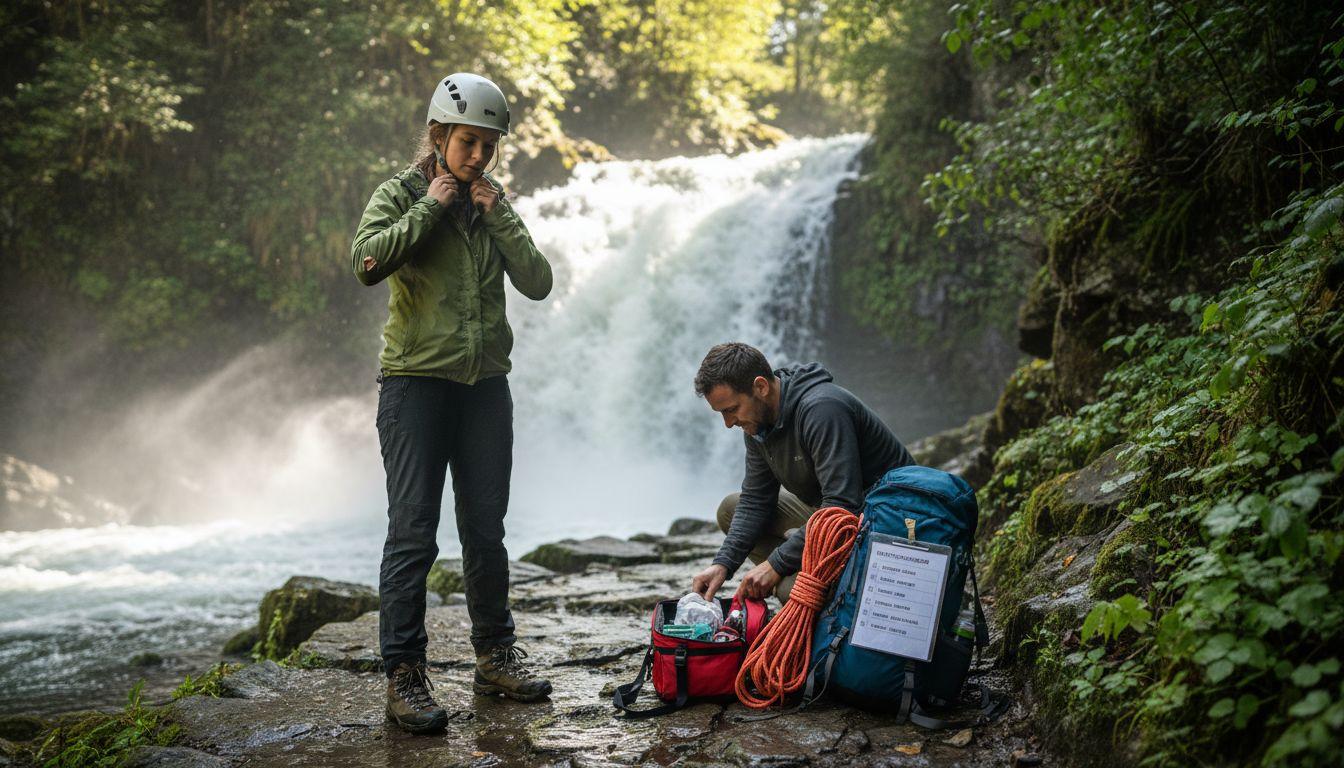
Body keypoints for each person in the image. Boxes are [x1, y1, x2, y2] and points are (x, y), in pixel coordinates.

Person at [351, 72, 554, 734]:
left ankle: (496, 655)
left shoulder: (493, 202)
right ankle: (405, 675)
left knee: (486, 530)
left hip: (484, 389)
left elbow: (538, 281)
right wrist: (431, 207)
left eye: (488, 146)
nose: (478, 157)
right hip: (415, 385)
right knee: (413, 533)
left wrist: (499, 212)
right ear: (438, 135)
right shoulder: (401, 194)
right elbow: (367, 263)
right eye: (468, 143)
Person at [690, 342, 916, 604]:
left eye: (731, 410)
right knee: (731, 508)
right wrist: (723, 565)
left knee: (792, 591)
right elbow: (756, 499)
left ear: (760, 387)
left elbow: (843, 505)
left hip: (885, 526)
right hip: (836, 518)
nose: (729, 423)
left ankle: (825, 584)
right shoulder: (758, 424)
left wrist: (776, 563)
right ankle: (812, 573)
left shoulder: (823, 410)